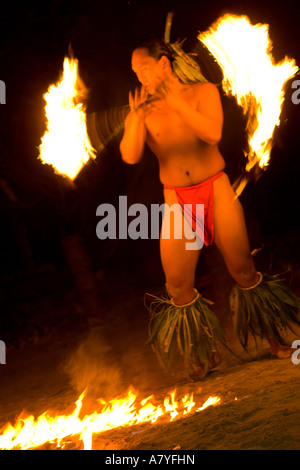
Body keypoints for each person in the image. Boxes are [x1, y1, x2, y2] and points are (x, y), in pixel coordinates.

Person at [119, 37, 300, 379]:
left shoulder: (202, 92)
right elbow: (130, 155)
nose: (140, 76)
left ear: (163, 64)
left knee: (243, 271)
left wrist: (176, 102)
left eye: (144, 67)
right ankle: (206, 352)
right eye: (134, 71)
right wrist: (134, 120)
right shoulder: (144, 109)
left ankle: (276, 341)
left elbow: (212, 134)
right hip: (176, 199)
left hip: (215, 190)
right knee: (177, 286)